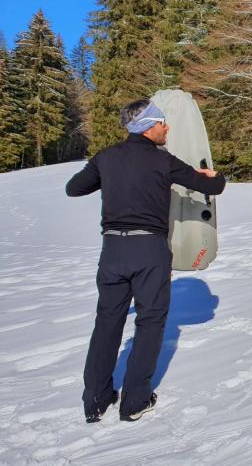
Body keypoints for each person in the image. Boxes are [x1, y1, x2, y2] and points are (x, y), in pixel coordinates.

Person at [66, 99, 226, 423]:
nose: (167, 128)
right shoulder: (163, 161)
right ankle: (135, 401)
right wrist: (211, 174)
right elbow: (213, 186)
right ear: (149, 126)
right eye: (163, 123)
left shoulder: (106, 158)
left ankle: (96, 400)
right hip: (149, 251)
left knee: (107, 324)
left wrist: (107, 177)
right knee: (150, 323)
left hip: (112, 252)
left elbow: (74, 188)